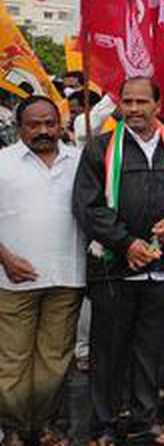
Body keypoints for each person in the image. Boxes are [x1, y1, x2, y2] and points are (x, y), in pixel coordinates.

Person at [73, 77, 164, 446]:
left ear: (158, 104)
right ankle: (102, 426)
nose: (133, 109)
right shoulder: (100, 149)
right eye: (127, 102)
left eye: (141, 102)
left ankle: (143, 421)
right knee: (108, 352)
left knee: (152, 351)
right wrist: (126, 243)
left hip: (163, 269)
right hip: (114, 269)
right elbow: (88, 207)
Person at [0, 96, 84, 446]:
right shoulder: (3, 163)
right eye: (34, 124)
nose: (43, 131)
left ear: (60, 123)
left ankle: (46, 426)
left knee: (54, 359)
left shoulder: (80, 161)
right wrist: (4, 258)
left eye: (49, 123)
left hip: (67, 276)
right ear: (19, 127)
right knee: (13, 359)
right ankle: (14, 429)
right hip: (11, 279)